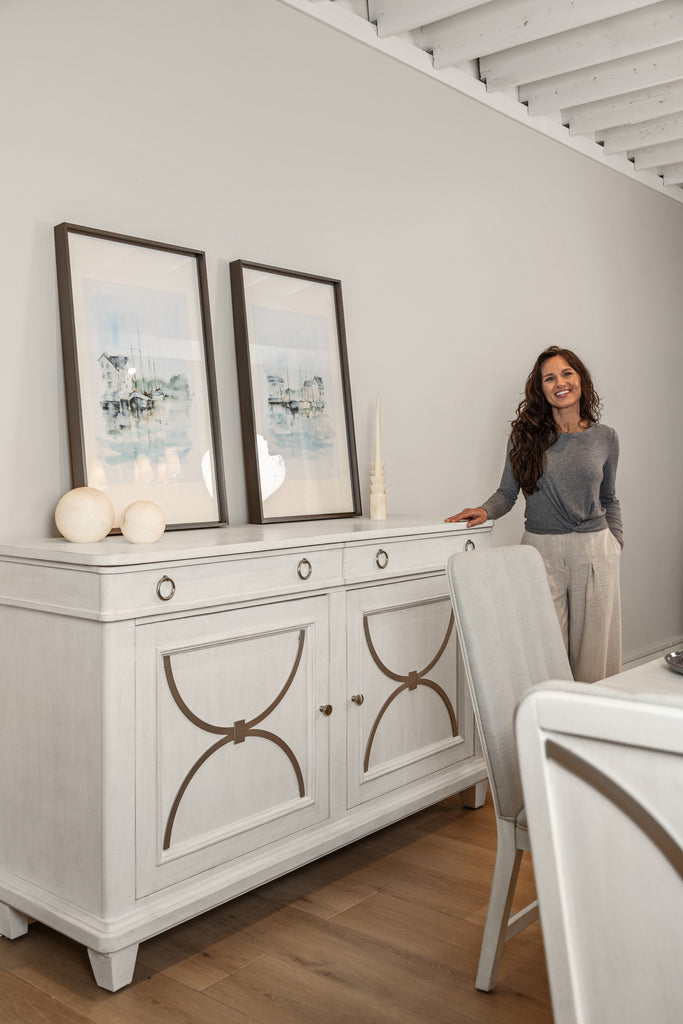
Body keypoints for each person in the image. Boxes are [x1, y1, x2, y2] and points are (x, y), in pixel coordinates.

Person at [446, 345, 622, 683]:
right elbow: (508, 493)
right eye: (549, 378)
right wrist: (484, 510)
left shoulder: (606, 438)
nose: (560, 382)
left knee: (594, 660)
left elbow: (609, 498)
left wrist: (615, 542)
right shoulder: (525, 437)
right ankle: (548, 732)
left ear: (580, 379)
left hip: (596, 551)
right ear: (540, 388)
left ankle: (588, 730)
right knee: (544, 655)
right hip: (541, 551)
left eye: (567, 373)